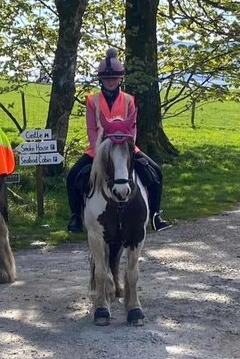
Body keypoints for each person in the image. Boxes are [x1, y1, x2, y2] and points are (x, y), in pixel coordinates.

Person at [66, 49, 172, 234]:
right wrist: (99, 151)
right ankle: (76, 215)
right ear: (101, 80)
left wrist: (129, 146)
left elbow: (133, 128)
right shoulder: (92, 101)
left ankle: (155, 215)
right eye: (107, 78)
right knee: (73, 176)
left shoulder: (129, 100)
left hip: (125, 147)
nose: (110, 81)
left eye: (114, 78)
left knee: (155, 173)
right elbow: (91, 128)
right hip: (98, 148)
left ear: (120, 79)